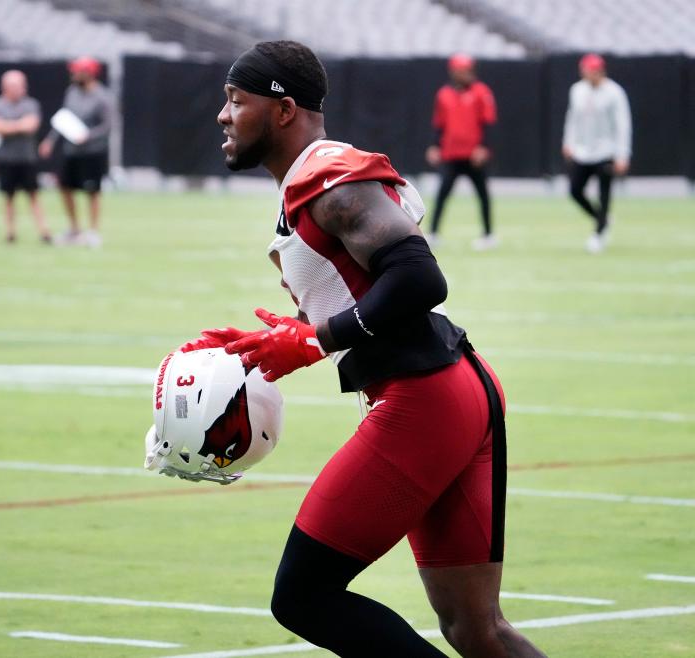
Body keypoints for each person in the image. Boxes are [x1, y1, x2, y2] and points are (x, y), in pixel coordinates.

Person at [181, 41, 546, 657]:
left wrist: (318, 338)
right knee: (476, 630)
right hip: (453, 385)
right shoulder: (311, 180)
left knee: (302, 596)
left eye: (236, 100)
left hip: (424, 400)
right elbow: (361, 295)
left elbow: (420, 279)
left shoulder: (326, 177)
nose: (223, 115)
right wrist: (278, 342)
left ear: (283, 109)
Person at [38, 56, 114, 248]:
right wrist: (49, 140)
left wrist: (88, 136)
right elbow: (64, 119)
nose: (74, 74)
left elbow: (108, 126)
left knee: (92, 191)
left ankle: (93, 231)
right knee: (65, 187)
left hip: (93, 152)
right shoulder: (71, 92)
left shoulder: (103, 96)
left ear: (89, 73)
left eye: (78, 71)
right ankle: (74, 229)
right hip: (71, 151)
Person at [426, 54, 498, 251]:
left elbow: (488, 123)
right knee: (442, 194)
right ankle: (433, 233)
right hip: (451, 154)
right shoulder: (444, 94)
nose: (468, 74)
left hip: (474, 155)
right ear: (454, 72)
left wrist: (483, 147)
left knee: (483, 194)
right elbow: (439, 125)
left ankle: (488, 235)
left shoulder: (482, 92)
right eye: (463, 70)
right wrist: (435, 146)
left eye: (469, 69)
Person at [562, 53, 632, 254]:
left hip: (606, 151)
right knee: (575, 191)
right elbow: (572, 118)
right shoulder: (577, 90)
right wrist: (568, 142)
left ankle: (599, 234)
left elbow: (622, 125)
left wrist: (622, 155)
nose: (589, 74)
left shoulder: (614, 93)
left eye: (593, 71)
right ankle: (601, 218)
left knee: (604, 195)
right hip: (583, 151)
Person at [0, 70, 51, 244]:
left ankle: (44, 231)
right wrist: (19, 125)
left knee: (34, 195)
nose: (21, 89)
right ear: (6, 87)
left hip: (27, 158)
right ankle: (10, 232)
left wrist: (7, 126)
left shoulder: (30, 104)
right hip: (6, 159)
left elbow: (31, 125)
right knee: (8, 197)